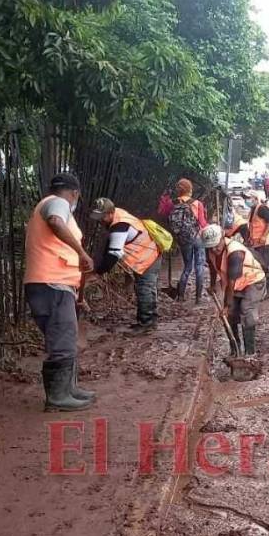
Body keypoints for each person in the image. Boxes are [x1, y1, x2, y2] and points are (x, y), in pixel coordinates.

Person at [23, 173, 96, 411]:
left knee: (65, 336)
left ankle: (68, 389)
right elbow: (55, 221)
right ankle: (57, 398)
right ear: (75, 193)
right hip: (50, 284)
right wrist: (82, 253)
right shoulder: (58, 203)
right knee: (62, 338)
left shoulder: (48, 205)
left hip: (54, 285)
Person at [89, 198, 162, 333]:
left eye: (102, 217)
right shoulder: (118, 214)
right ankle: (150, 319)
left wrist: (98, 271)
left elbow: (114, 254)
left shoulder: (119, 225)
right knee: (148, 288)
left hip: (147, 257)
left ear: (110, 213)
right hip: (150, 254)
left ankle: (146, 323)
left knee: (144, 289)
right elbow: (110, 245)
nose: (100, 220)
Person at [201, 225, 266, 356]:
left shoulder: (235, 252)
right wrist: (213, 284)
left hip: (252, 281)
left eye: (216, 245)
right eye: (210, 247)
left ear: (222, 238)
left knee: (246, 310)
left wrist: (226, 305)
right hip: (236, 284)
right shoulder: (210, 250)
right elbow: (213, 267)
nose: (214, 249)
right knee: (230, 315)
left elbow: (231, 282)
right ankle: (235, 350)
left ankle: (249, 353)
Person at [244, 194, 269, 299]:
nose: (247, 201)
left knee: (264, 266)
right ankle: (268, 291)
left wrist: (264, 236)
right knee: (260, 266)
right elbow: (252, 226)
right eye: (245, 199)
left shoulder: (261, 208)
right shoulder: (253, 210)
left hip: (266, 242)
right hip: (258, 243)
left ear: (255, 198)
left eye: (249, 199)